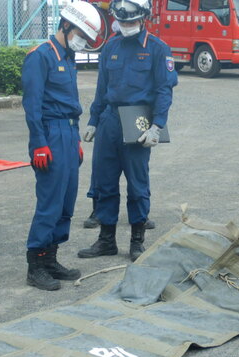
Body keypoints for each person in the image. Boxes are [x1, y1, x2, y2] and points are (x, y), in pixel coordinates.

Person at [79, 0, 177, 261]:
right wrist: (93, 119)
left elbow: (164, 91)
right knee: (105, 182)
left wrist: (157, 126)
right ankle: (106, 240)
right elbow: (102, 88)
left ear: (143, 19)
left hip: (139, 118)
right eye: (122, 22)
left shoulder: (158, 49)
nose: (127, 26)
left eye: (132, 22)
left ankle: (137, 240)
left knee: (137, 184)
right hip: (109, 118)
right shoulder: (110, 46)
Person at [21, 1, 102, 291]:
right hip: (50, 135)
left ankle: (51, 258)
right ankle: (35, 265)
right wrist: (39, 144)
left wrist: (77, 139)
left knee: (66, 202)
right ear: (66, 25)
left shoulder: (67, 57)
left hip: (68, 134)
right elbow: (32, 106)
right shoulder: (40, 57)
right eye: (81, 32)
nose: (83, 40)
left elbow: (70, 105)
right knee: (50, 203)